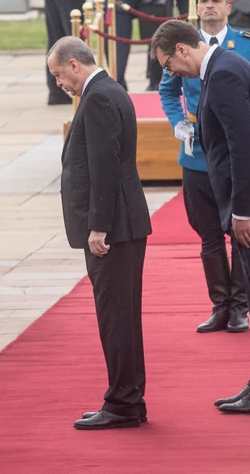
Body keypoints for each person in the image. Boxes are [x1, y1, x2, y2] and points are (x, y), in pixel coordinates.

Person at [151, 20, 250, 415]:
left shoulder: (222, 75)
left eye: (169, 64)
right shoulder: (224, 67)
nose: (171, 73)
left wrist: (242, 211)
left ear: (183, 50)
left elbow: (243, 147)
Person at [159, 0, 250, 335]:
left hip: (234, 146)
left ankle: (240, 306)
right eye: (203, 0)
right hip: (197, 150)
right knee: (208, 232)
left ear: (228, 5)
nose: (209, 6)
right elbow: (167, 89)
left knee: (238, 228)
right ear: (195, 7)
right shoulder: (181, 45)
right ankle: (219, 305)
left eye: (215, 0)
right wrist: (179, 122)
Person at [49, 36, 151, 430]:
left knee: (116, 317)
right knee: (120, 315)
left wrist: (98, 226)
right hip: (122, 223)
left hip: (115, 227)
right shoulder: (109, 91)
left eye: (59, 75)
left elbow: (104, 167)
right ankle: (127, 399)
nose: (60, 83)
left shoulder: (99, 98)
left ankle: (124, 402)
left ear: (75, 64)